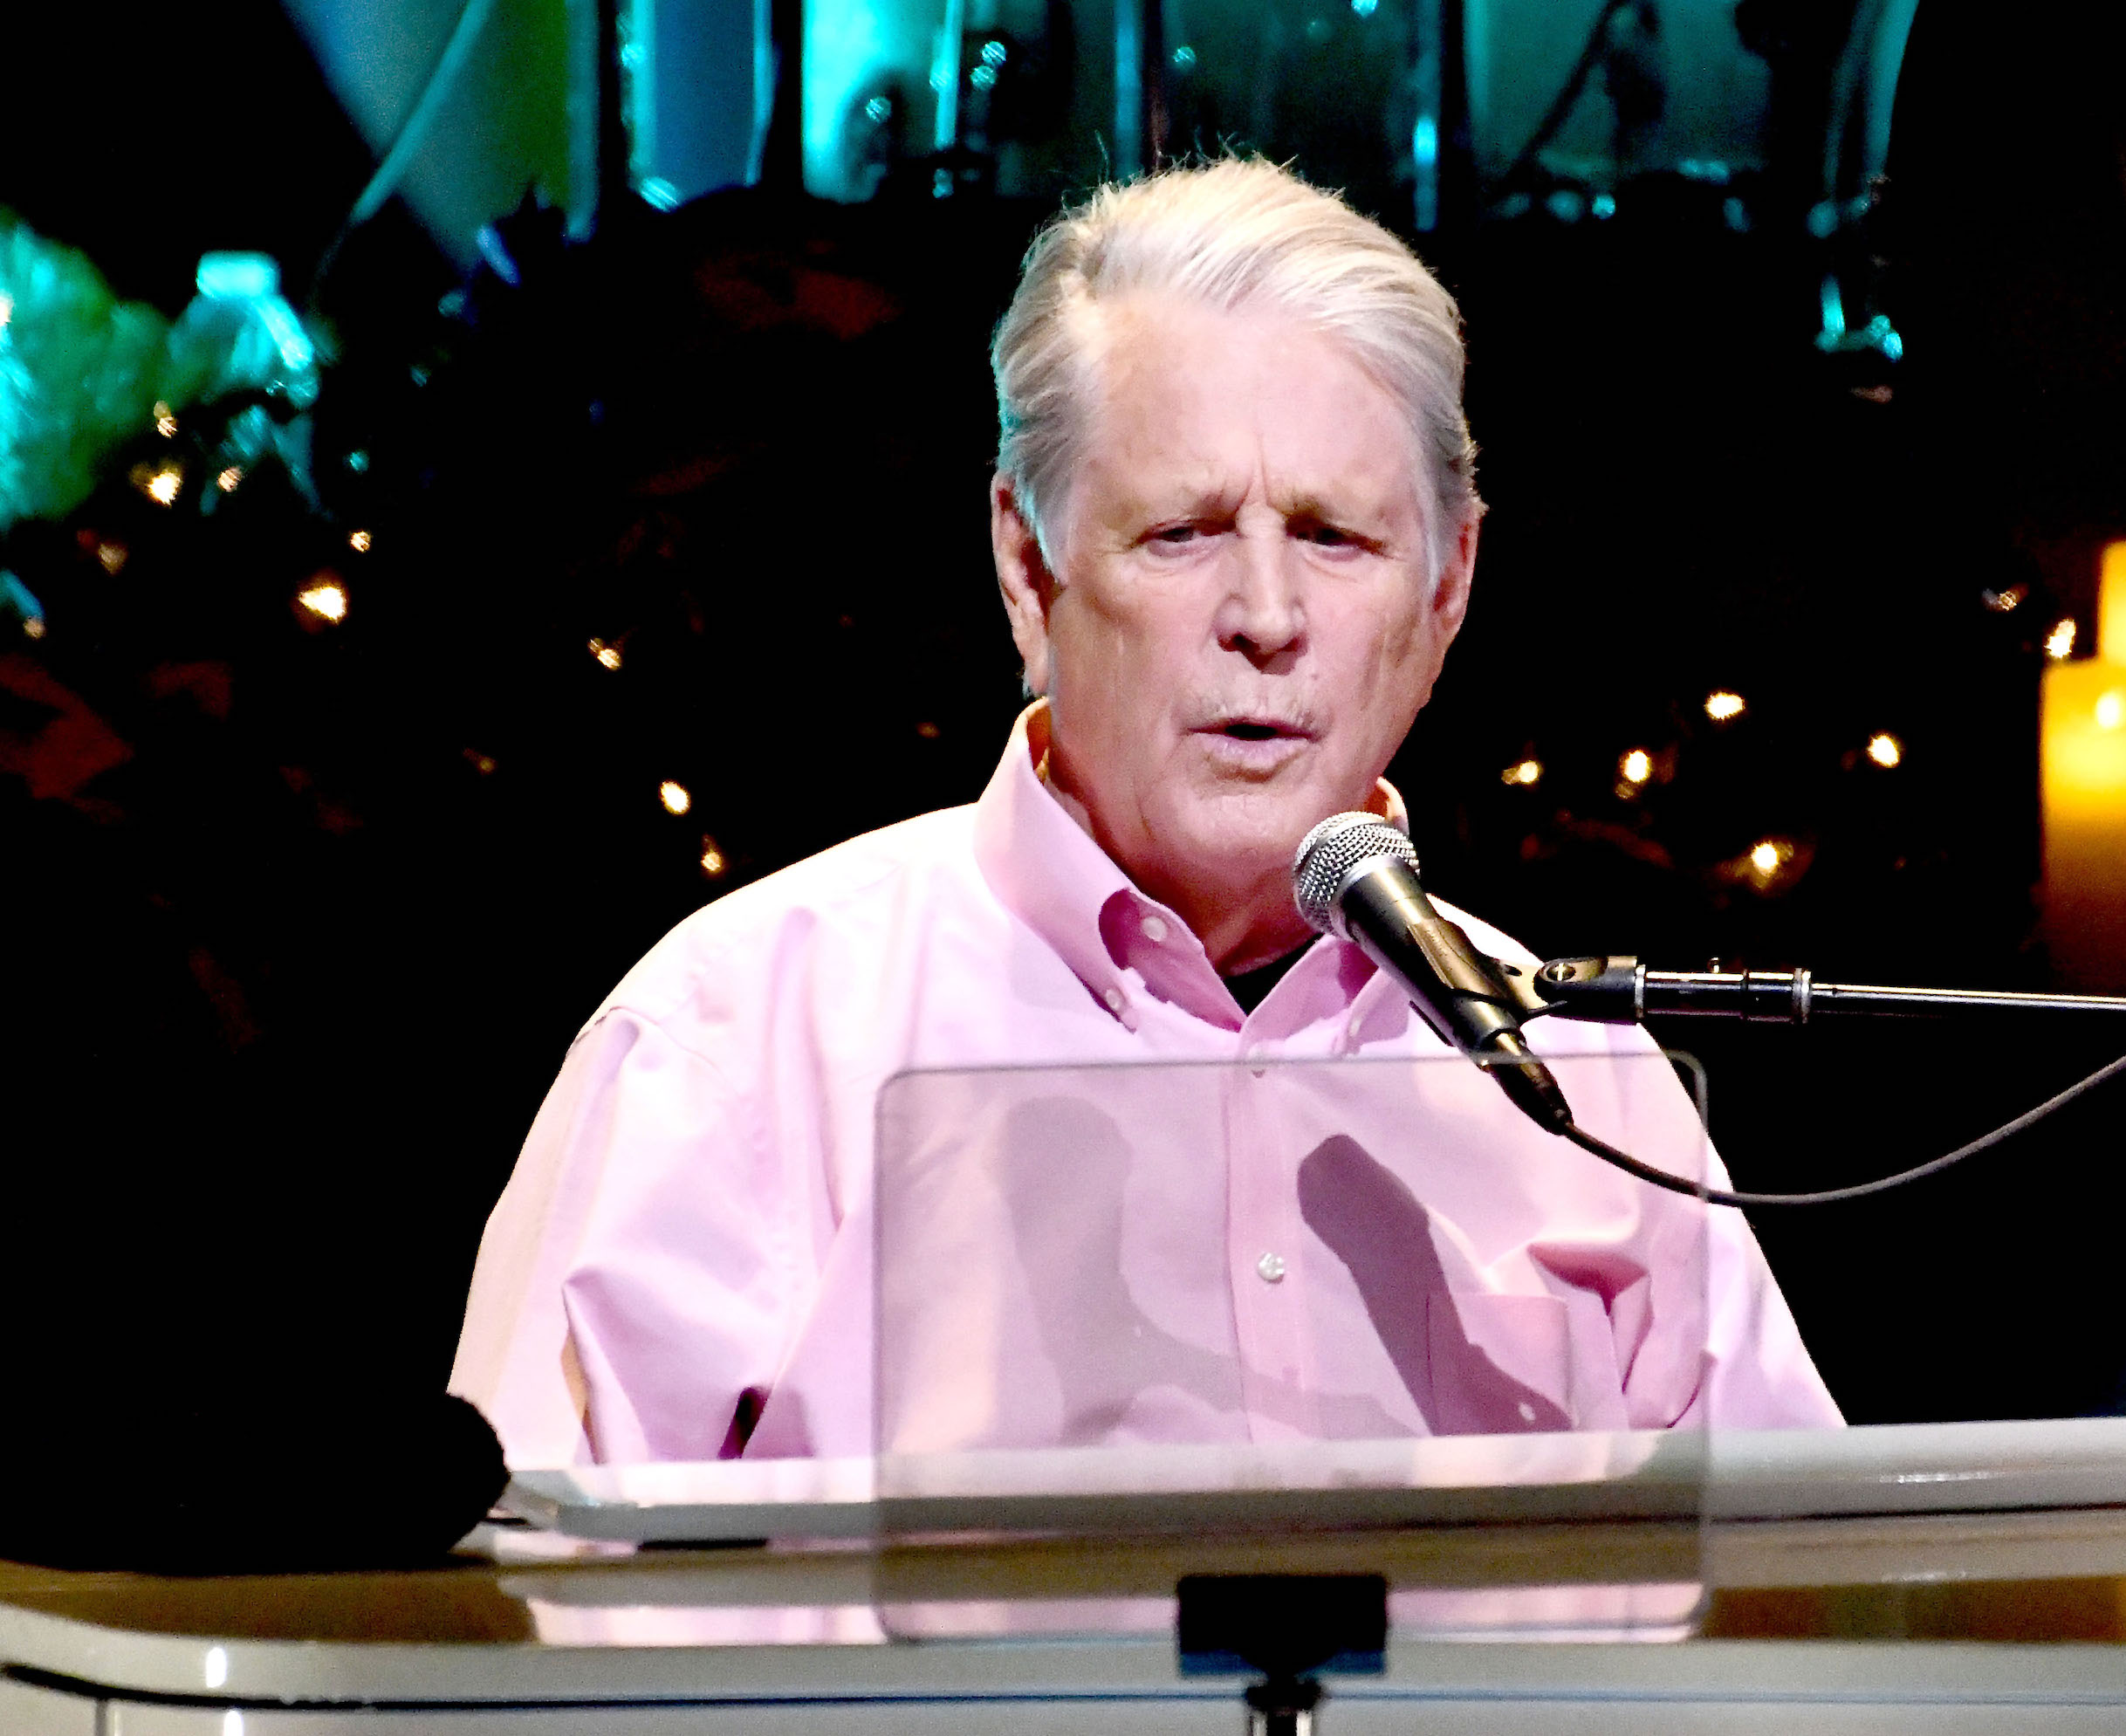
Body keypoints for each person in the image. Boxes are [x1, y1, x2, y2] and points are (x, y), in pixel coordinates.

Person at [451, 158, 1839, 1467]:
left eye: (1334, 537)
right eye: (1181, 532)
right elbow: (510, 1640)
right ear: (1026, 565)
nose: (1266, 618)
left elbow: (1811, 1633)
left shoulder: (1582, 1090)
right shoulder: (734, 1048)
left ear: (1446, 590)